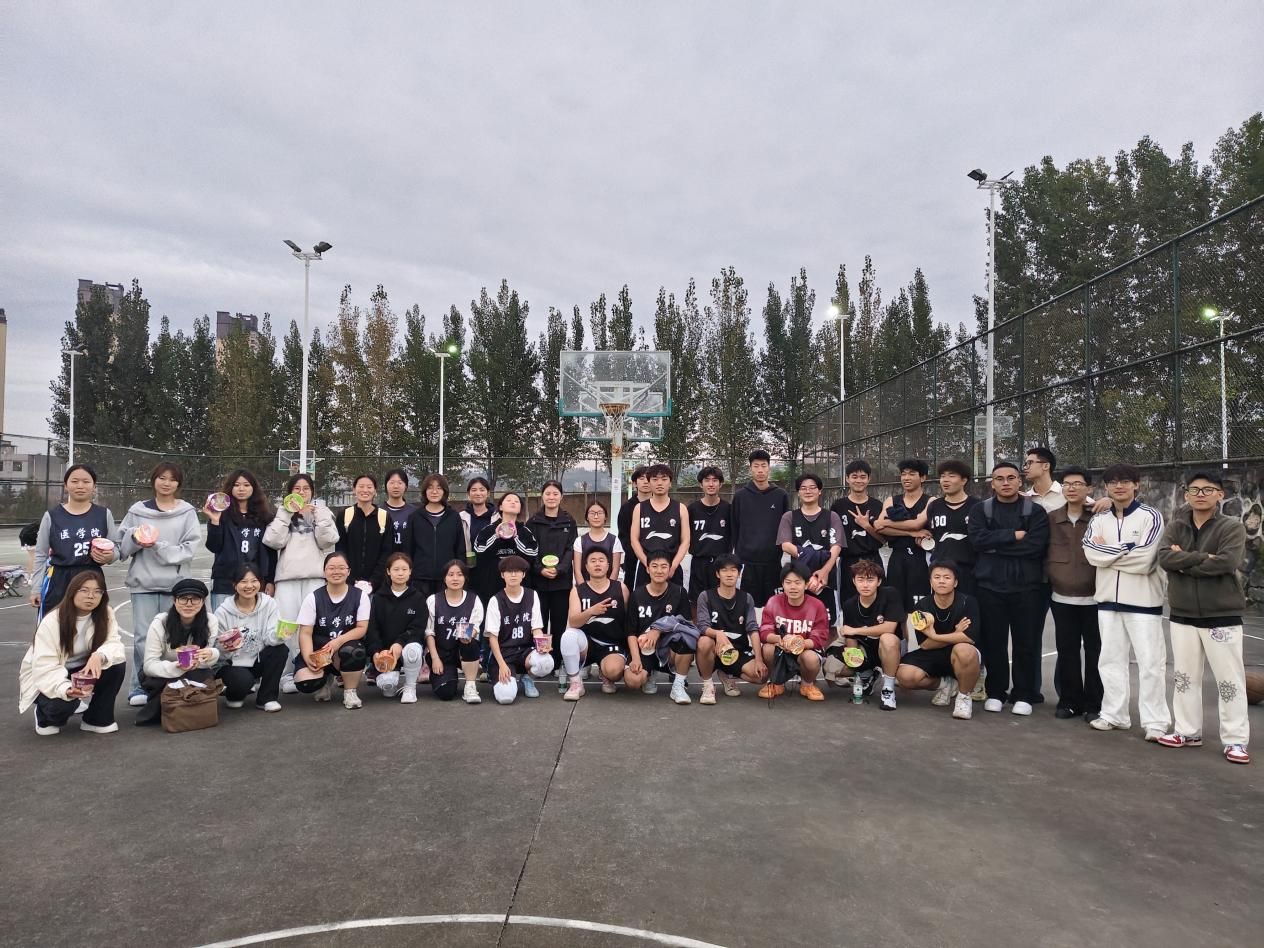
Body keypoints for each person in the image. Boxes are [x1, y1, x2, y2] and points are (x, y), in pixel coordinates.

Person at [1156, 472, 1250, 764]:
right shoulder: (1176, 526)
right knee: (1184, 677)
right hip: (1182, 612)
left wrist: (1184, 560)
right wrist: (1202, 558)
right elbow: (1164, 558)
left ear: (1220, 495)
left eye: (1207, 489)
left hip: (1221, 614)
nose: (1200, 494)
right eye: (1194, 489)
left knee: (1229, 681)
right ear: (1186, 494)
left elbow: (1227, 562)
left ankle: (1235, 740)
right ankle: (1187, 731)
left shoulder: (1231, 527)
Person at [1082, 463, 1170, 741]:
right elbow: (1090, 554)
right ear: (1106, 487)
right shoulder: (1099, 520)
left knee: (1151, 664)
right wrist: (1125, 549)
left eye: (1125, 481)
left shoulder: (1151, 516)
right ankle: (1114, 714)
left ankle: (1155, 722)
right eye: (1113, 482)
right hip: (1107, 602)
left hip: (1144, 604)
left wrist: (1107, 554)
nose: (1118, 486)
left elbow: (1146, 560)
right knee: (1109, 661)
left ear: (1136, 485)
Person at [968, 461, 1050, 716]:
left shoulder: (1035, 512)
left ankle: (1024, 694)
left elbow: (1035, 546)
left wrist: (995, 546)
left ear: (1019, 481)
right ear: (992, 483)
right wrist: (1013, 536)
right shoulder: (981, 510)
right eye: (999, 478)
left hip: (1026, 588)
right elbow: (977, 541)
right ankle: (996, 692)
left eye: (1011, 478)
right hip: (989, 587)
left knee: (1026, 642)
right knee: (994, 642)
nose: (1005, 482)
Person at [117, 461, 201, 707]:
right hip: (143, 584)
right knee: (143, 638)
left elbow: (188, 550)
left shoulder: (186, 512)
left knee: (174, 638)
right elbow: (121, 548)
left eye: (172, 479)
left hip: (175, 586)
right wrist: (136, 539)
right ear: (153, 480)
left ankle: (172, 684)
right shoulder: (137, 511)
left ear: (179, 484)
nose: (166, 483)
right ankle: (139, 686)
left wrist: (157, 546)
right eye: (162, 478)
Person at [20, 571, 126, 736]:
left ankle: (96, 719)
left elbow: (114, 643)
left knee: (116, 664)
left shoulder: (105, 613)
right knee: (63, 705)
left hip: (82, 669)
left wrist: (99, 655)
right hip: (47, 675)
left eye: (97, 591)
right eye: (84, 590)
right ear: (72, 592)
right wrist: (67, 689)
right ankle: (44, 717)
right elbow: (44, 667)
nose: (91, 596)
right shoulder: (53, 621)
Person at [264, 472, 340, 694]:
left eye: (306, 488)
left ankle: (319, 671)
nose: (301, 492)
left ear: (312, 492)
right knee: (286, 626)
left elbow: (328, 540)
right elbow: (272, 540)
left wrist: (320, 516)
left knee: (315, 627)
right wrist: (286, 513)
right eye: (297, 488)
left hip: (315, 578)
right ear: (289, 492)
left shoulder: (321, 512)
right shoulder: (281, 513)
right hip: (287, 580)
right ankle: (287, 673)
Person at [1045, 467, 1102, 720]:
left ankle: (1094, 704)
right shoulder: (1051, 518)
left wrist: (1108, 502)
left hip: (1095, 599)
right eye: (1067, 484)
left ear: (1089, 488)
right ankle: (1069, 701)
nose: (1071, 488)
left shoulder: (1101, 517)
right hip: (1062, 598)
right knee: (1067, 651)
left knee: (1095, 652)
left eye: (1078, 483)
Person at [895, 562, 981, 720]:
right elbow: (925, 644)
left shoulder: (967, 602)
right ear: (930, 581)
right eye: (937, 577)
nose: (941, 581)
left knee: (964, 649)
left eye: (947, 577)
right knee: (904, 676)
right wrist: (955, 634)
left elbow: (968, 637)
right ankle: (945, 684)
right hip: (933, 652)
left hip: (959, 653)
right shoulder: (922, 605)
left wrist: (935, 636)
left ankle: (964, 697)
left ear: (955, 582)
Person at [30, 463, 119, 616]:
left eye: (86, 481)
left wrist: (110, 556)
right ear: (66, 485)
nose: (80, 486)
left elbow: (116, 548)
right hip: (59, 580)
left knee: (92, 627)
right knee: (56, 626)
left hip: (92, 579)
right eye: (75, 481)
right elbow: (41, 554)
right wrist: (36, 588)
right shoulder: (51, 516)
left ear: (94, 486)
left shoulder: (104, 514)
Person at [135, 578, 221, 726]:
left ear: (203, 602)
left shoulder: (210, 621)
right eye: (183, 599)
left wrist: (212, 654)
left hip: (194, 671)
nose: (189, 604)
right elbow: (149, 665)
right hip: (163, 673)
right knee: (168, 686)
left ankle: (176, 706)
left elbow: (206, 661)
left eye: (195, 599)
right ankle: (166, 706)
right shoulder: (160, 623)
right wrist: (176, 667)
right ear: (174, 601)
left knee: (204, 678)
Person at [291, 552, 371, 709]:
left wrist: (338, 642)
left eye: (341, 568)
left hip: (344, 649)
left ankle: (350, 691)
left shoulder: (360, 596)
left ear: (348, 571)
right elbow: (305, 633)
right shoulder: (313, 598)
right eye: (331, 568)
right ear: (324, 571)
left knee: (355, 651)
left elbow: (361, 628)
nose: (336, 572)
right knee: (306, 683)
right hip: (319, 650)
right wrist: (308, 656)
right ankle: (323, 681)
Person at [826, 559, 904, 709]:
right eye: (860, 579)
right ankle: (867, 675)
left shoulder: (890, 594)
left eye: (870, 580)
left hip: (889, 649)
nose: (865, 585)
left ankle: (888, 689)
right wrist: (855, 660)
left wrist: (856, 630)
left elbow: (889, 628)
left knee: (887, 639)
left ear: (879, 581)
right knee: (831, 666)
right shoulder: (849, 604)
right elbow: (850, 636)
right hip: (865, 647)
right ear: (854, 581)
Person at [560, 546, 634, 700]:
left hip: (612, 643)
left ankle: (605, 672)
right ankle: (576, 683)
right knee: (568, 636)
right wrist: (590, 611)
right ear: (586, 567)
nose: (597, 564)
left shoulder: (620, 588)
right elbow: (573, 622)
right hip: (587, 643)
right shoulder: (578, 590)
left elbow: (630, 621)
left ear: (608, 565)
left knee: (614, 672)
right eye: (593, 561)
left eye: (601, 560)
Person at [211, 563, 287, 712]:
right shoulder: (223, 611)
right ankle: (234, 694)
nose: (249, 586)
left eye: (254, 581)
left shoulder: (269, 604)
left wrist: (280, 635)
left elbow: (269, 637)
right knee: (241, 685)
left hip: (257, 659)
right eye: (243, 581)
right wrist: (226, 647)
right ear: (234, 584)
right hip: (231, 664)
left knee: (280, 650)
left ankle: (267, 698)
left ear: (260, 583)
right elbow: (216, 649)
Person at [527, 480, 578, 692]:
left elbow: (571, 549)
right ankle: (540, 661)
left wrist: (560, 569)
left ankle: (556, 662)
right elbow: (529, 550)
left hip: (561, 582)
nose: (551, 497)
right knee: (538, 623)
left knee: (558, 624)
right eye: (548, 493)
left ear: (561, 497)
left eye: (555, 493)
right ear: (542, 496)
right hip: (538, 582)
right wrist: (539, 569)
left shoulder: (569, 521)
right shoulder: (533, 521)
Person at [777, 472, 845, 632]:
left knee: (829, 625)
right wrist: (807, 554)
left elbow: (836, 547)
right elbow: (785, 545)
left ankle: (819, 648)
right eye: (803, 488)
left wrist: (825, 571)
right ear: (798, 492)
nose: (808, 491)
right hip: (798, 578)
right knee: (797, 624)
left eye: (812, 488)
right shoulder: (789, 517)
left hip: (826, 578)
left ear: (820, 491)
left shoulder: (831, 517)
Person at [694, 554, 765, 704]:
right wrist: (717, 634)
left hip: (737, 650)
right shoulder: (705, 596)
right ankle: (708, 685)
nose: (729, 574)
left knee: (761, 677)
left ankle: (728, 674)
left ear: (739, 573)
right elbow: (702, 626)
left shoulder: (747, 598)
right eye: (724, 570)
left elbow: (753, 629)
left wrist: (759, 660)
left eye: (733, 570)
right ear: (717, 574)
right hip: (714, 650)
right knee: (704, 642)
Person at [205, 468, 276, 612]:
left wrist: (270, 580)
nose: (241, 489)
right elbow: (214, 546)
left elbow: (271, 552)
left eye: (246, 485)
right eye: (236, 485)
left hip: (255, 582)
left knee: (253, 622)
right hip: (225, 581)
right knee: (223, 623)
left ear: (253, 488)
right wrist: (215, 522)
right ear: (230, 488)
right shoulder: (221, 515)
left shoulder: (265, 516)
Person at [625, 551, 693, 699]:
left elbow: (687, 624)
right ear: (647, 569)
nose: (659, 570)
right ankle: (650, 673)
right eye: (654, 566)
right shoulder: (637, 594)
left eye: (663, 566)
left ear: (670, 569)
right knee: (632, 681)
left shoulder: (679, 592)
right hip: (645, 648)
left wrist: (658, 630)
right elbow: (631, 632)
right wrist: (635, 658)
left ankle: (678, 685)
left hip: (669, 649)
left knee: (687, 641)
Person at [757, 563, 829, 702]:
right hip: (781, 647)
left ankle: (807, 684)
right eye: (788, 582)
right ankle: (776, 683)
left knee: (810, 658)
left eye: (797, 582)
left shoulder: (817, 605)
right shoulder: (773, 602)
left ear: (806, 584)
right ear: (782, 584)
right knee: (767, 649)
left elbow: (820, 638)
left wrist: (798, 643)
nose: (793, 587)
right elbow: (764, 631)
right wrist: (780, 640)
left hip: (805, 649)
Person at [486, 555, 552, 704]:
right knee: (506, 697)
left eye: (517, 571)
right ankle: (504, 677)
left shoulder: (532, 595)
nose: (513, 575)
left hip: (525, 651)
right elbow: (492, 637)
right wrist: (502, 665)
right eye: (509, 571)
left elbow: (536, 628)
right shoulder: (495, 600)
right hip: (504, 654)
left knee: (546, 662)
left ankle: (527, 677)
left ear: (523, 574)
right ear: (502, 575)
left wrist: (542, 647)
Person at [364, 553, 429, 704]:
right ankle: (390, 680)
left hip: (407, 647)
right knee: (387, 687)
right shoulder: (379, 598)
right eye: (396, 569)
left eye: (404, 569)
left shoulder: (418, 597)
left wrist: (400, 643)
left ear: (410, 571)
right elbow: (372, 628)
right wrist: (376, 652)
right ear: (388, 571)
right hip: (386, 652)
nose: (400, 573)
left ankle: (410, 687)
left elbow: (418, 628)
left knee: (412, 651)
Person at [731, 450, 790, 610]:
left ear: (769, 467)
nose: (760, 470)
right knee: (747, 609)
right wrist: (738, 558)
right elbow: (735, 528)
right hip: (748, 565)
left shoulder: (781, 495)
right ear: (750, 468)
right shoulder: (740, 496)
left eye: (763, 466)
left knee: (776, 609)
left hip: (773, 564)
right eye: (756, 466)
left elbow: (786, 528)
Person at [424, 559, 485, 704]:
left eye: (459, 574)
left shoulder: (474, 600)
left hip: (462, 649)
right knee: (446, 693)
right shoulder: (433, 600)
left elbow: (475, 627)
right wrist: (435, 658)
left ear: (465, 578)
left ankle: (470, 685)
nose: (455, 578)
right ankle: (448, 676)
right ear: (444, 578)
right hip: (442, 653)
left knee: (470, 644)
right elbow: (429, 632)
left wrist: (469, 636)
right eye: (451, 574)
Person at [875, 459, 932, 608]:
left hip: (920, 558)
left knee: (919, 606)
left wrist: (887, 523)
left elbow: (917, 523)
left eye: (912, 474)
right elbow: (879, 527)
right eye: (903, 474)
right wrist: (912, 534)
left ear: (923, 477)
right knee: (895, 604)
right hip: (897, 557)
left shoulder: (931, 501)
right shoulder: (891, 500)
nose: (906, 478)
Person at [922, 460, 981, 595]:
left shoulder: (977, 506)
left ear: (964, 480)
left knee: (967, 606)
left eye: (951, 476)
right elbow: (932, 534)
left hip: (969, 570)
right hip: (941, 571)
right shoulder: (934, 506)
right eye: (942, 476)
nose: (945, 480)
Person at [830, 459, 884, 602]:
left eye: (862, 477)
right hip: (848, 562)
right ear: (847, 478)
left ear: (869, 479)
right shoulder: (838, 506)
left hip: (873, 559)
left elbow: (884, 540)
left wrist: (866, 526)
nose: (858, 481)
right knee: (849, 603)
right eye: (854, 477)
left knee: (877, 602)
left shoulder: (877, 505)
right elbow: (833, 538)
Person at [629, 464, 691, 587]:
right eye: (655, 479)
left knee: (675, 599)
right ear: (649, 482)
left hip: (672, 567)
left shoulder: (681, 508)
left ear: (670, 483)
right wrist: (647, 564)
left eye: (664, 479)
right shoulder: (639, 508)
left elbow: (686, 541)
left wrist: (673, 566)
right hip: (646, 567)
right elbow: (634, 540)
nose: (659, 483)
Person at [407, 473, 467, 600]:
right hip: (420, 578)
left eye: (439, 488)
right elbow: (408, 549)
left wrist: (459, 573)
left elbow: (460, 549)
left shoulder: (454, 517)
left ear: (444, 491)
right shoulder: (415, 517)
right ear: (425, 491)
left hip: (447, 578)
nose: (434, 492)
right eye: (430, 488)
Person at [471, 492, 539, 601]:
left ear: (520, 509)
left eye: (516, 501)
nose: (513, 502)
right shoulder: (488, 530)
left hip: (519, 585)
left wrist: (515, 537)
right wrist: (496, 536)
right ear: (501, 507)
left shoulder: (525, 531)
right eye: (508, 500)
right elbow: (478, 550)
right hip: (491, 585)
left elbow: (532, 553)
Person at [336, 473, 390, 590]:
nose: (365, 490)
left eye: (369, 487)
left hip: (377, 585)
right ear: (354, 490)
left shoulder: (384, 516)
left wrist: (373, 582)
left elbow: (387, 551)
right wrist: (351, 580)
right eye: (361, 486)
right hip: (348, 584)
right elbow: (340, 549)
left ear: (375, 491)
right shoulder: (344, 515)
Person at [686, 466, 732, 600]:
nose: (711, 484)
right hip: (699, 563)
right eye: (707, 480)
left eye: (715, 480)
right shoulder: (692, 509)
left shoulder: (729, 509)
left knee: (721, 602)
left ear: (721, 484)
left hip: (722, 564)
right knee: (696, 602)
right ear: (701, 484)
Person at [617, 466, 652, 586]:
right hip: (634, 560)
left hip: (658, 560)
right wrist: (639, 554)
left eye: (649, 478)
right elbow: (624, 536)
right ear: (634, 483)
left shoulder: (662, 505)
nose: (646, 481)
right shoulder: (627, 508)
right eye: (641, 478)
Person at [573, 499, 623, 583]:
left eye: (600, 513)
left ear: (605, 516)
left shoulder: (614, 540)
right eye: (592, 513)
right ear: (587, 517)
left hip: (609, 588)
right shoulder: (579, 541)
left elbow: (615, 569)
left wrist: (609, 588)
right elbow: (577, 570)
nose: (596, 517)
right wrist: (583, 589)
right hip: (585, 587)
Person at [460, 476, 497, 560]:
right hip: (470, 563)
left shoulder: (497, 517)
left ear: (488, 493)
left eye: (482, 490)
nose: (478, 493)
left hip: (493, 563)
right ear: (468, 494)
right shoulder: (461, 517)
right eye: (474, 490)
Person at [382, 468, 417, 556]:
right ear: (386, 486)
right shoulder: (379, 512)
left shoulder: (415, 512)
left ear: (406, 486)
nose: (396, 486)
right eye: (392, 482)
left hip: (408, 560)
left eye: (400, 483)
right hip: (384, 560)